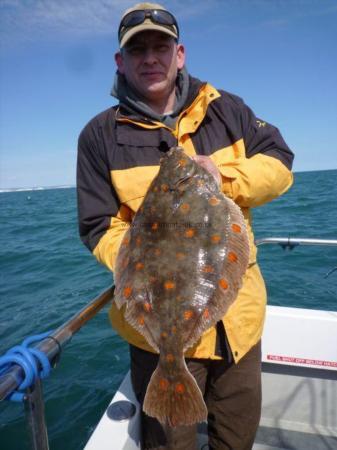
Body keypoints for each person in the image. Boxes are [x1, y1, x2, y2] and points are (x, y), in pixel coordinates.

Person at [77, 3, 294, 449]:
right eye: (138, 50)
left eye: (161, 46)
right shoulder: (99, 136)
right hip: (157, 340)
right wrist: (146, 259)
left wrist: (224, 177)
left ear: (180, 54)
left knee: (236, 440)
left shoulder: (227, 109)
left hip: (239, 326)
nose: (150, 58)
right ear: (121, 61)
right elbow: (98, 225)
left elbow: (281, 164)